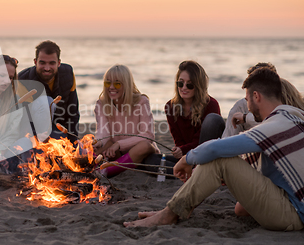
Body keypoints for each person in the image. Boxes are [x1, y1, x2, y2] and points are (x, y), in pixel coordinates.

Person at [124, 68, 304, 231]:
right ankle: (172, 210)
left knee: (221, 160)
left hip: (294, 214)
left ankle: (167, 215)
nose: (247, 107)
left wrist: (186, 159)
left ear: (256, 96)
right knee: (240, 206)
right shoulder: (294, 118)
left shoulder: (274, 126)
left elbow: (216, 148)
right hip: (289, 204)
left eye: (247, 100)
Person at [93, 65, 159, 177]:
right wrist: (99, 142)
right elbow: (103, 132)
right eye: (108, 83)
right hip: (117, 154)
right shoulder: (102, 103)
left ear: (126, 85)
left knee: (145, 145)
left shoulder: (141, 101)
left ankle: (106, 171)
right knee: (94, 146)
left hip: (141, 154)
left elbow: (148, 135)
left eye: (117, 83)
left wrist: (119, 144)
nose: (111, 87)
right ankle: (88, 169)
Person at [18, 40, 80, 144]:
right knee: (46, 101)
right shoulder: (23, 80)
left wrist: (73, 140)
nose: (47, 68)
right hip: (33, 135)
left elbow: (73, 112)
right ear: (35, 62)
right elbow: (23, 120)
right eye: (42, 63)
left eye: (52, 63)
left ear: (59, 63)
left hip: (59, 131)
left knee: (83, 153)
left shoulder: (68, 74)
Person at [165, 60, 224, 160]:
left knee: (212, 119)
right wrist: (180, 151)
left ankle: (192, 171)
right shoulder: (170, 106)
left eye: (190, 85)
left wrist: (183, 150)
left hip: (206, 155)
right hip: (186, 157)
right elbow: (178, 140)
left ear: (198, 86)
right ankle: (186, 172)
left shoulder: (211, 105)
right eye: (180, 83)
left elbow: (204, 141)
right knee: (151, 159)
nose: (184, 88)